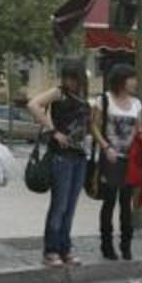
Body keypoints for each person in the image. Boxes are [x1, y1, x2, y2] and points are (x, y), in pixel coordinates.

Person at [29, 61, 91, 268]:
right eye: (67, 77)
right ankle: (51, 250)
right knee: (59, 205)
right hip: (61, 156)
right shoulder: (59, 93)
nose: (70, 82)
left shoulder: (83, 97)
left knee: (70, 206)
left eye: (74, 77)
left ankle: (66, 248)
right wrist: (53, 131)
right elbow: (33, 104)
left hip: (80, 156)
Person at [91, 64, 142, 261]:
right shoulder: (103, 100)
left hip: (129, 161)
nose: (135, 82)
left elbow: (138, 130)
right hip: (110, 158)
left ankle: (126, 245)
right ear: (122, 80)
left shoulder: (137, 104)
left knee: (126, 204)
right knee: (109, 202)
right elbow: (94, 127)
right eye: (132, 78)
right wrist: (106, 147)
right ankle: (106, 245)